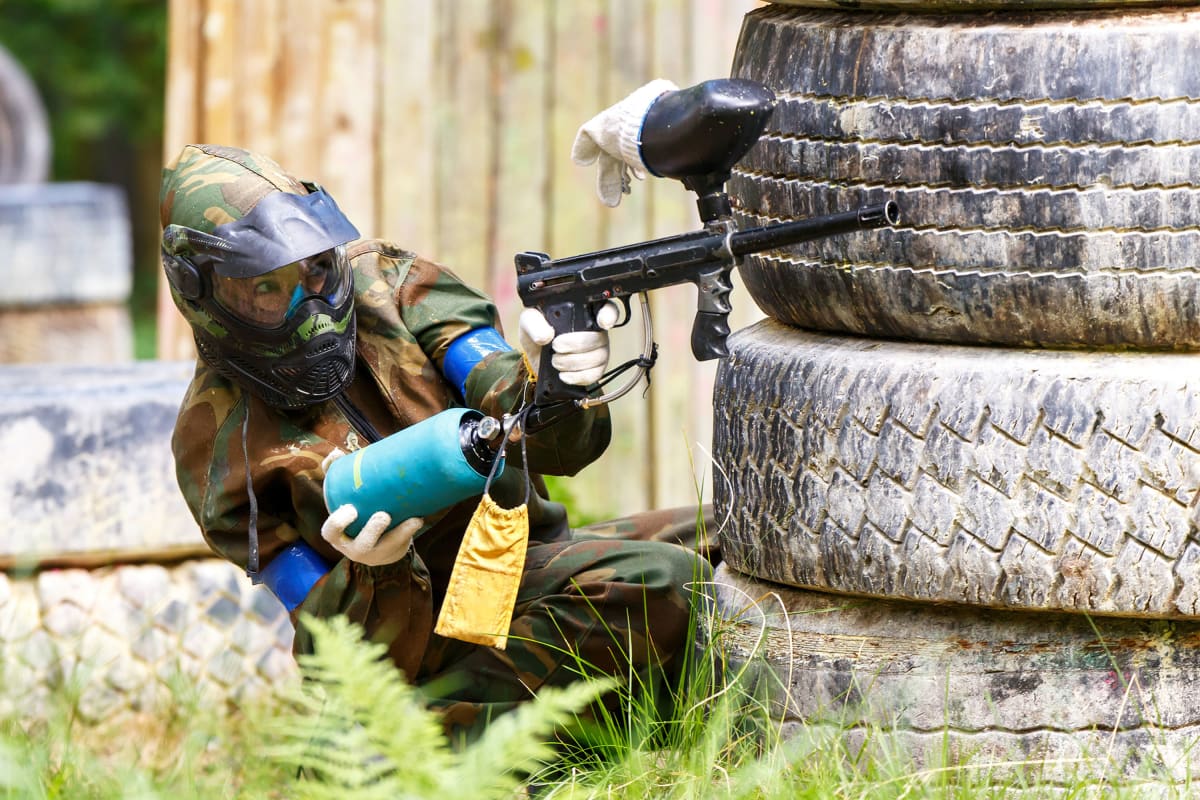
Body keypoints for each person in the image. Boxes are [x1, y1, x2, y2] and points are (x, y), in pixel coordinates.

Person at [160, 134, 712, 741]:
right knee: (662, 577)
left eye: (316, 271)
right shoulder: (216, 445)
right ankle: (425, 753)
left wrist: (553, 382)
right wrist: (377, 572)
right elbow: (333, 640)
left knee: (734, 529)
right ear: (203, 293)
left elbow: (541, 430)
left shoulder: (389, 288)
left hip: (513, 562)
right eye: (267, 289)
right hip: (417, 638)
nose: (309, 307)